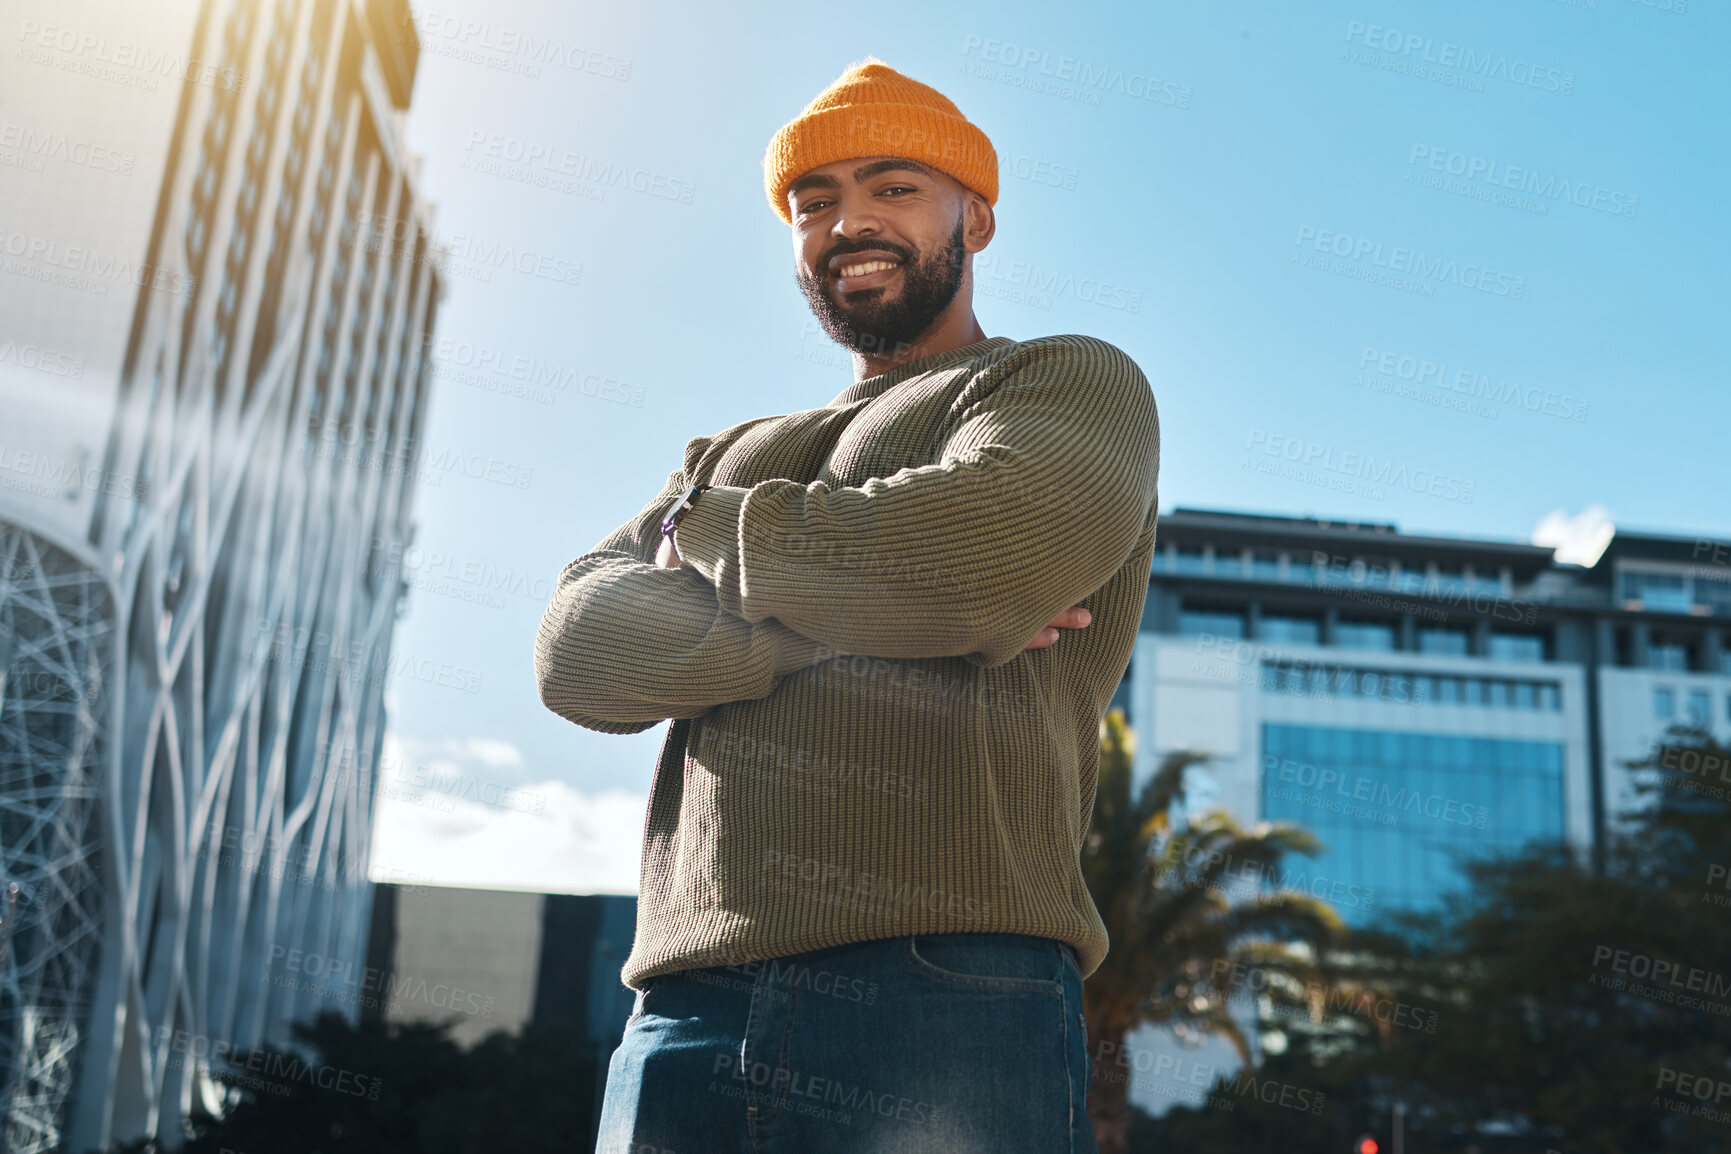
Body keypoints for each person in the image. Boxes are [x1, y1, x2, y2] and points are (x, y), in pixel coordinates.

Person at [534, 55, 1160, 1154]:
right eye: (813, 202)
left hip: (952, 983)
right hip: (683, 1004)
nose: (849, 221)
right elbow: (578, 655)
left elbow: (979, 567)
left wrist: (715, 541)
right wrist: (886, 607)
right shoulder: (723, 451)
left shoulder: (1063, 379)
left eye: (894, 187)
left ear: (977, 214)